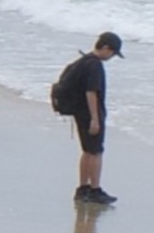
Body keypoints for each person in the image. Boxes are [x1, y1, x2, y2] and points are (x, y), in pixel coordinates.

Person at [52, 31, 122, 205]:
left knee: (87, 151)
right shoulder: (95, 66)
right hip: (89, 113)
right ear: (105, 48)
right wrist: (95, 118)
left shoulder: (83, 61)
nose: (112, 57)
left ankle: (83, 188)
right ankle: (95, 190)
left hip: (79, 112)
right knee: (96, 152)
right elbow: (91, 92)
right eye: (113, 53)